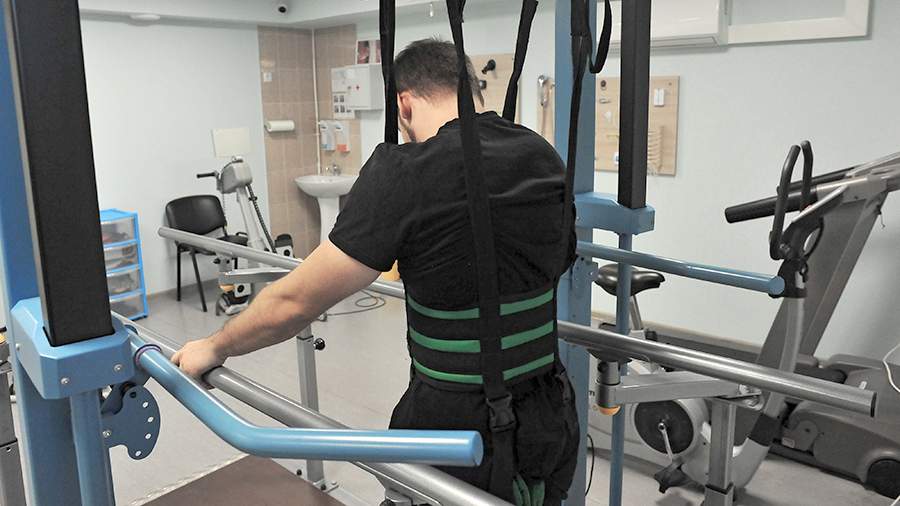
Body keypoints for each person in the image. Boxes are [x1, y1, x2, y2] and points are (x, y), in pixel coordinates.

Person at [172, 38, 578, 505]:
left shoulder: (408, 170)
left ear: (403, 104)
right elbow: (558, 258)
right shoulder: (541, 154)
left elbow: (295, 302)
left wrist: (215, 346)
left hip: (457, 432)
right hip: (550, 413)